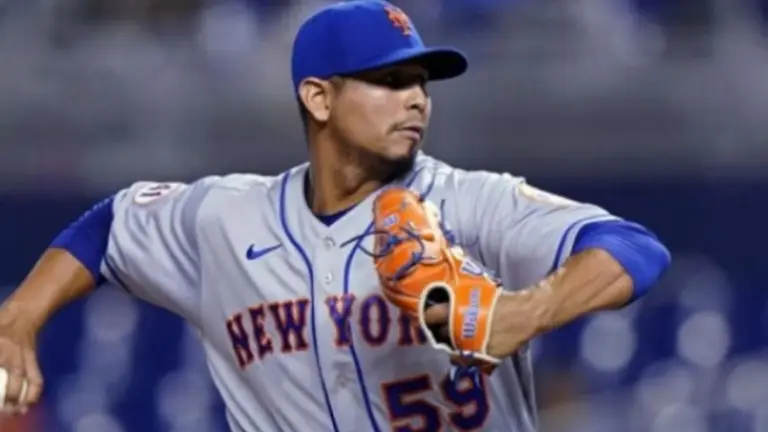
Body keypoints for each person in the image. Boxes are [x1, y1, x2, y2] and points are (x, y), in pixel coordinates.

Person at [0, 1, 671, 430]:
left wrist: (524, 312)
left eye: (421, 83)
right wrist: (21, 317)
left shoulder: (467, 203)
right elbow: (108, 228)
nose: (416, 100)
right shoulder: (227, 219)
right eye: (389, 81)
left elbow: (633, 249)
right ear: (319, 98)